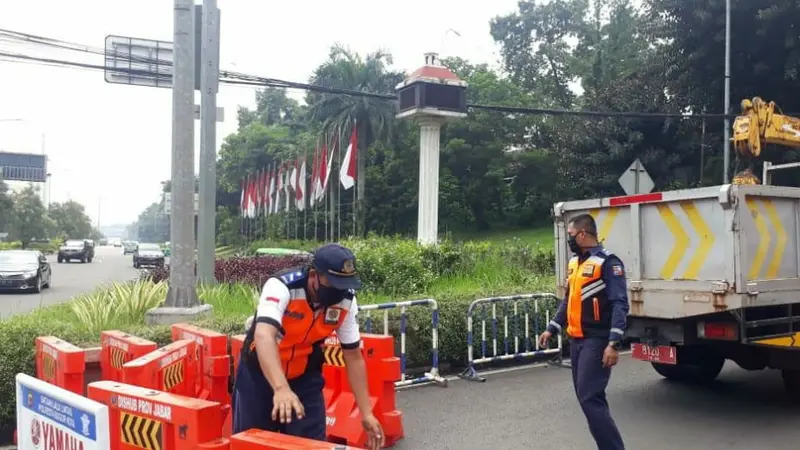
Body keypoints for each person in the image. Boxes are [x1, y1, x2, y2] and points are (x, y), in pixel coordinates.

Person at [233, 243, 385, 450]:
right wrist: (281, 388)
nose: (339, 292)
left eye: (344, 284)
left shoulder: (346, 300)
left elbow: (353, 355)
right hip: (259, 376)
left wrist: (366, 413)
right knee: (253, 442)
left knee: (311, 445)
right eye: (333, 284)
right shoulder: (282, 286)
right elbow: (263, 336)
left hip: (304, 378)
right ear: (314, 275)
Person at [538, 213, 628, 450]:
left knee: (590, 397)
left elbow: (620, 303)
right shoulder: (575, 264)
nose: (569, 240)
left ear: (583, 234)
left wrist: (613, 343)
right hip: (576, 340)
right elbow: (569, 301)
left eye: (570, 235)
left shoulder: (608, 263)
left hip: (596, 340)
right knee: (586, 398)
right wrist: (552, 328)